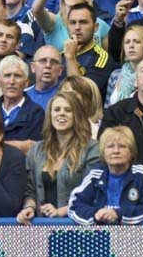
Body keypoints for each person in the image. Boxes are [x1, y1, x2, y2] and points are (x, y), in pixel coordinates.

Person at [19, 92, 101, 222]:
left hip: (77, 226)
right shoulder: (36, 150)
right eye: (56, 109)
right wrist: (29, 207)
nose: (61, 113)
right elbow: (31, 190)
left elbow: (93, 192)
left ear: (76, 116)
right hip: (42, 227)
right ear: (50, 115)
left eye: (68, 110)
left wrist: (61, 211)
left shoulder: (92, 149)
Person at [66, 126, 143, 225]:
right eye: (110, 146)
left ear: (132, 152)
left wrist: (119, 214)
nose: (116, 151)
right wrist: (95, 215)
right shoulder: (95, 176)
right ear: (103, 152)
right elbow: (74, 205)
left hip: (135, 236)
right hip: (100, 236)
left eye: (122, 146)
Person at [0, 55, 43, 154]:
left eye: (17, 76)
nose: (11, 82)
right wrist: (21, 145)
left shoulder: (36, 113)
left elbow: (35, 152)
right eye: (7, 75)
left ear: (26, 83)